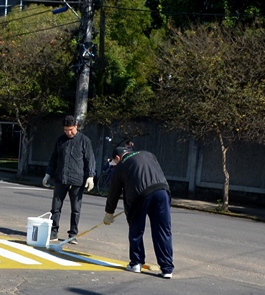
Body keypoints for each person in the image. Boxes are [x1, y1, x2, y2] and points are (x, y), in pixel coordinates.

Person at [103, 145, 174, 278]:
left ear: (117, 158)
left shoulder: (120, 166)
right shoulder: (148, 154)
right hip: (162, 191)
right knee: (163, 230)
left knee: (136, 230)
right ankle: (167, 268)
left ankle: (136, 263)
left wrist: (109, 212)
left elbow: (114, 192)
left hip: (139, 196)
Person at [43, 115, 96, 244]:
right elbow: (54, 158)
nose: (68, 132)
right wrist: (48, 173)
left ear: (76, 126)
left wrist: (90, 176)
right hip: (61, 178)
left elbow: (90, 159)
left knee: (76, 209)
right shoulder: (60, 140)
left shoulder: (84, 141)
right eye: (66, 130)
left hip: (77, 180)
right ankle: (53, 232)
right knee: (55, 208)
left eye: (70, 130)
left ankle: (73, 234)